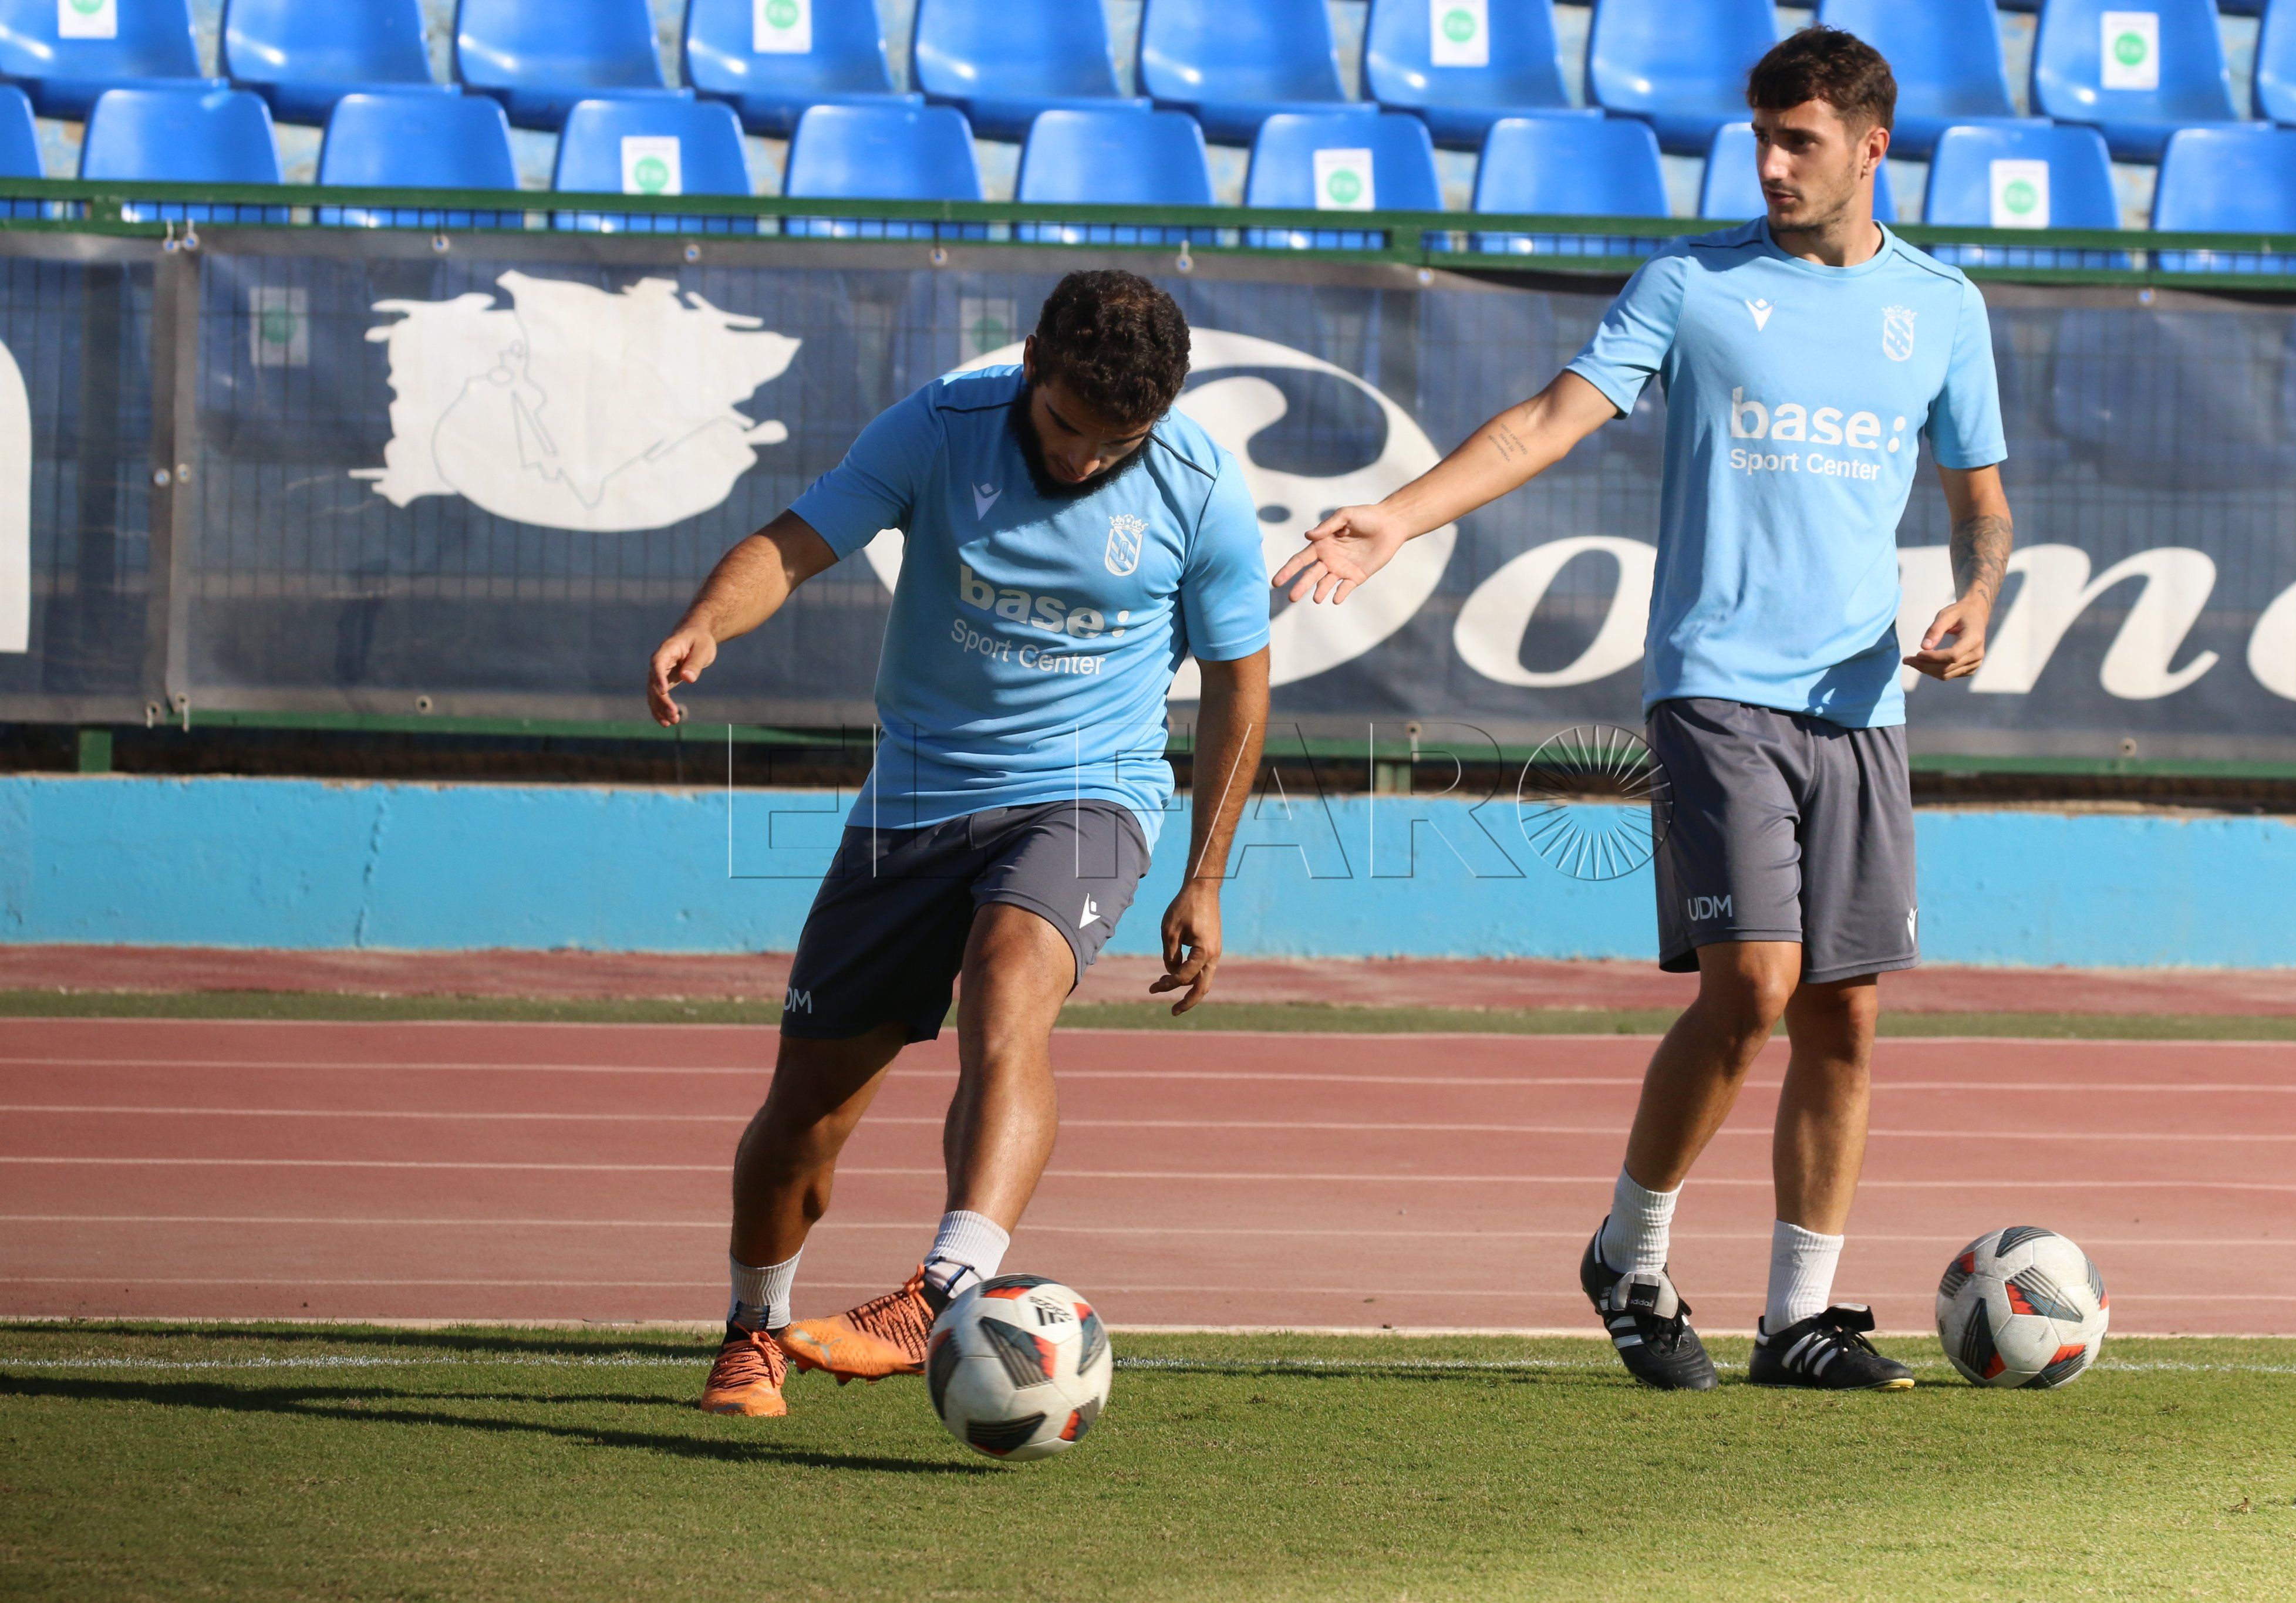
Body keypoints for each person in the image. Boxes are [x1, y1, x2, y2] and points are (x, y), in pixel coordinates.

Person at [1273, 28, 2012, 1391]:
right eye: (1761, 138)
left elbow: (1981, 500)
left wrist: (1977, 592)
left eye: (1798, 141)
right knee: (1753, 990)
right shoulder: (1691, 283)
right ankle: (1632, 1249)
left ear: (1870, 148)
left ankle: (1797, 1318)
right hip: (1714, 689)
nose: (1771, 163)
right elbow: (1550, 419)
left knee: (1840, 1018)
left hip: (1860, 709)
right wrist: (1397, 517)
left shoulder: (1943, 308)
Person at [649, 270, 1270, 1416]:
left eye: (1115, 443)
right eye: (1067, 431)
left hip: (1092, 794)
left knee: (1007, 987)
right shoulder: (939, 428)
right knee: (804, 1122)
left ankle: (951, 1280)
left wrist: (1204, 877)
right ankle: (755, 1327)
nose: (1084, 461)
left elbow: (1239, 682)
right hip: (915, 803)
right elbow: (793, 545)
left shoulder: (1198, 486)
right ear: (1031, 364)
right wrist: (704, 622)